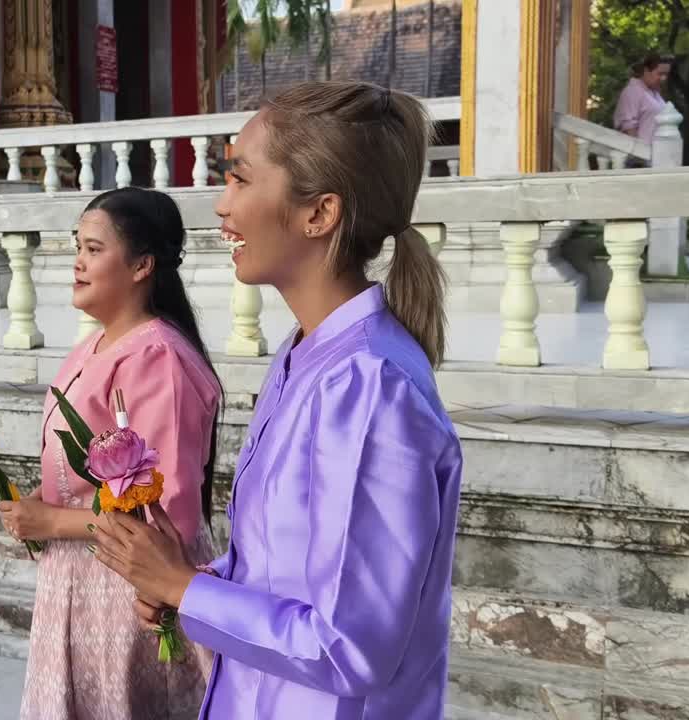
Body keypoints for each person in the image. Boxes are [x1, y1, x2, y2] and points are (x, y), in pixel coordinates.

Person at [90, 81, 465, 719]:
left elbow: (351, 647)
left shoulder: (366, 386)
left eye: (238, 180)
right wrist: (194, 587)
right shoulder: (305, 353)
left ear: (318, 213)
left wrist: (182, 586)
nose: (220, 205)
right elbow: (280, 571)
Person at [0, 187, 223, 720]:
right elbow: (93, 473)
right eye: (79, 246)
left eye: (94, 249)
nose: (78, 261)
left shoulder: (157, 357)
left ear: (142, 265)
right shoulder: (94, 346)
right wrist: (45, 500)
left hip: (129, 591)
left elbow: (168, 511)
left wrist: (53, 521)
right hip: (79, 578)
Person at [614, 53, 672, 155]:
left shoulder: (654, 93)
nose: (663, 78)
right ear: (646, 71)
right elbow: (628, 128)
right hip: (640, 160)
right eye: (660, 74)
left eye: (666, 74)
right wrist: (639, 157)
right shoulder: (633, 91)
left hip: (657, 156)